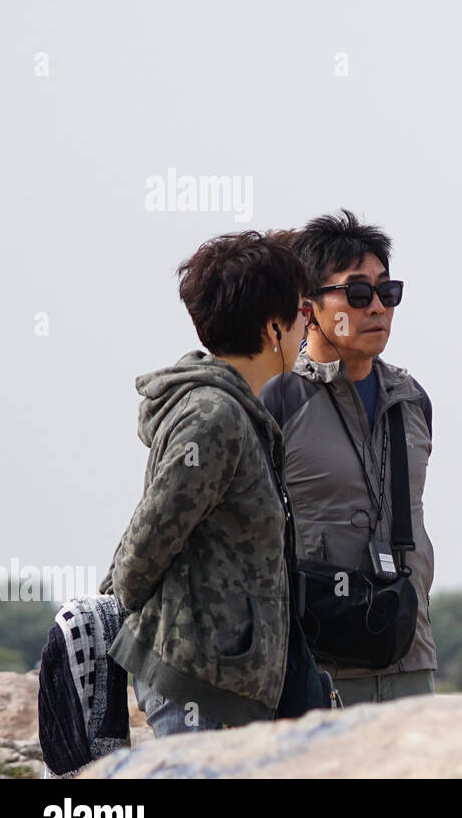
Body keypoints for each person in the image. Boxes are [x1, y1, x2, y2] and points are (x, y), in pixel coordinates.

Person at [100, 231, 310, 735]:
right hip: (198, 688)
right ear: (274, 327)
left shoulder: (236, 410)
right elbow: (145, 545)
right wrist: (112, 621)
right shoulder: (214, 416)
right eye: (303, 309)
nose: (311, 322)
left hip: (225, 688)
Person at [261, 209, 437, 705]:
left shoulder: (412, 400)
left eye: (388, 292)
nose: (377, 308)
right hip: (313, 667)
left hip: (408, 655)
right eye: (357, 294)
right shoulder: (276, 399)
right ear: (308, 307)